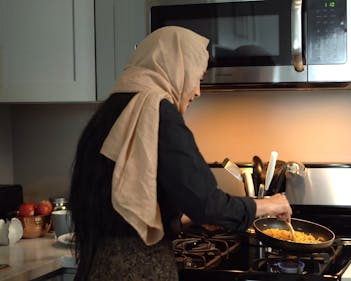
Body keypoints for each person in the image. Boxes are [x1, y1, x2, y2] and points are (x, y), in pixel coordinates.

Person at [68, 26, 292, 281]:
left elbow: (128, 208)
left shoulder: (110, 111)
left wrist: (188, 217)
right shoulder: (156, 111)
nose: (197, 90)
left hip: (96, 267)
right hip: (138, 269)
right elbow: (207, 203)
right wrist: (270, 204)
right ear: (176, 67)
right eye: (198, 76)